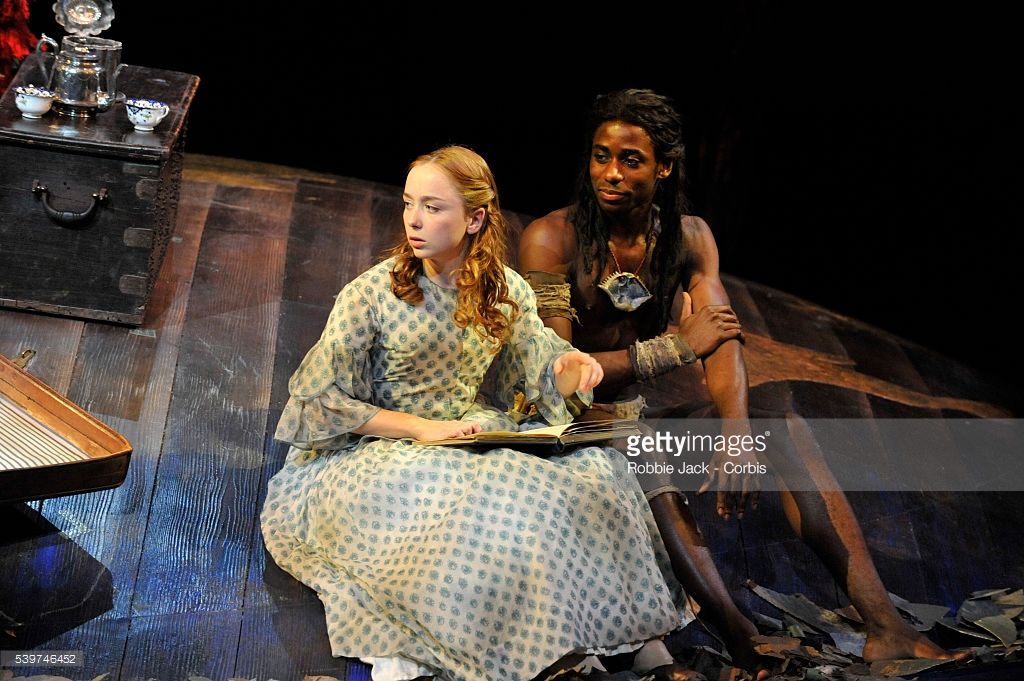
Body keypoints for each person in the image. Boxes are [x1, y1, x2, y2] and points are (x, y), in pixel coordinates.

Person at [518, 89, 966, 673]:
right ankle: (740, 635)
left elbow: (722, 335)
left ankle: (886, 627)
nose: (611, 173)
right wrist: (676, 348)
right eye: (601, 156)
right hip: (566, 429)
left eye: (630, 160)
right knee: (640, 443)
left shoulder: (687, 239)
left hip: (629, 420)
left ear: (664, 167)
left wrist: (737, 435)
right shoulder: (554, 238)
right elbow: (563, 372)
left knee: (781, 428)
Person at [261, 145, 703, 681]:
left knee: (593, 480)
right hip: (384, 445)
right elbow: (323, 400)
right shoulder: (373, 294)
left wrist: (572, 369)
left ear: (474, 219)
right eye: (409, 204)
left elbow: (540, 366)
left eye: (432, 207)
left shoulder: (503, 290)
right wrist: (423, 430)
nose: (414, 220)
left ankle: (634, 641)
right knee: (482, 516)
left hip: (472, 428)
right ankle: (547, 656)